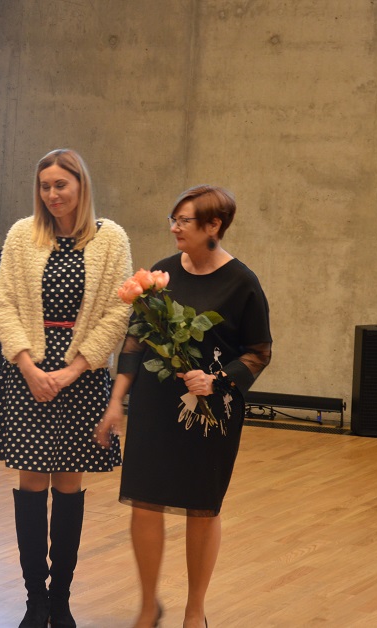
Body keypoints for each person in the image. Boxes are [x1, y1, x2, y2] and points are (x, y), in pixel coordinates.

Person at [95, 185, 272, 628]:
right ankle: (147, 606)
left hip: (210, 412)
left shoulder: (242, 283)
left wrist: (218, 380)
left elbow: (259, 351)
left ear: (213, 226)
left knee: (202, 506)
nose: (174, 228)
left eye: (184, 221)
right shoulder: (161, 275)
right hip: (154, 407)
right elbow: (134, 341)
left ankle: (195, 611)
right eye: (172, 219)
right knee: (145, 502)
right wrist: (116, 400)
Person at [0, 149, 133, 628]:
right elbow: (4, 303)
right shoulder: (21, 234)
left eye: (60, 185)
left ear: (80, 185)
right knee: (31, 486)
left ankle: (61, 599)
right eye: (44, 186)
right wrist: (28, 366)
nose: (52, 194)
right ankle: (35, 600)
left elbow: (118, 312)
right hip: (27, 374)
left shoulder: (111, 238)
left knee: (69, 487)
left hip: (81, 378)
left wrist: (73, 370)